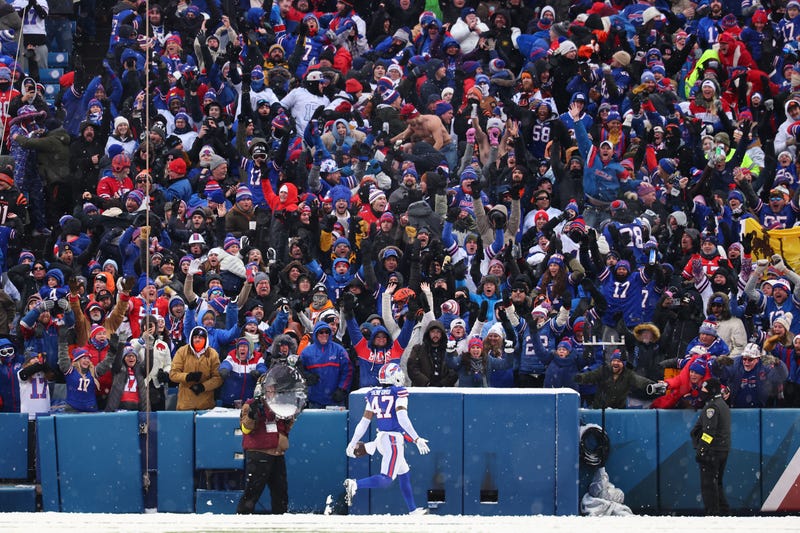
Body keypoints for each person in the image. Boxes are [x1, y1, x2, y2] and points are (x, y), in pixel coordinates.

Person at [343, 362, 430, 515]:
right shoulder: (399, 392)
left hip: (383, 437)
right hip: (392, 440)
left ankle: (413, 510)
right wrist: (416, 439)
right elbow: (403, 419)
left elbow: (364, 422)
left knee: (404, 473)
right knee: (386, 479)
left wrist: (352, 442)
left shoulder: (373, 394)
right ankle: (355, 484)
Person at [236, 371, 299, 515]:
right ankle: (241, 521)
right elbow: (245, 429)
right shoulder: (250, 405)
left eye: (273, 388)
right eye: (268, 388)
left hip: (278, 454)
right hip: (259, 454)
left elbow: (286, 428)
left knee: (281, 493)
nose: (271, 391)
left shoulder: (280, 405)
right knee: (252, 492)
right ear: (261, 389)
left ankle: (280, 521)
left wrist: (291, 416)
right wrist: (252, 415)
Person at [690, 377, 731, 515]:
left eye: (704, 389)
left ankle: (713, 514)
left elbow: (709, 432)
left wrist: (702, 450)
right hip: (723, 449)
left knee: (708, 486)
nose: (702, 391)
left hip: (712, 452)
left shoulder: (712, 406)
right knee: (717, 483)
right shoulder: (723, 404)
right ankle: (724, 514)